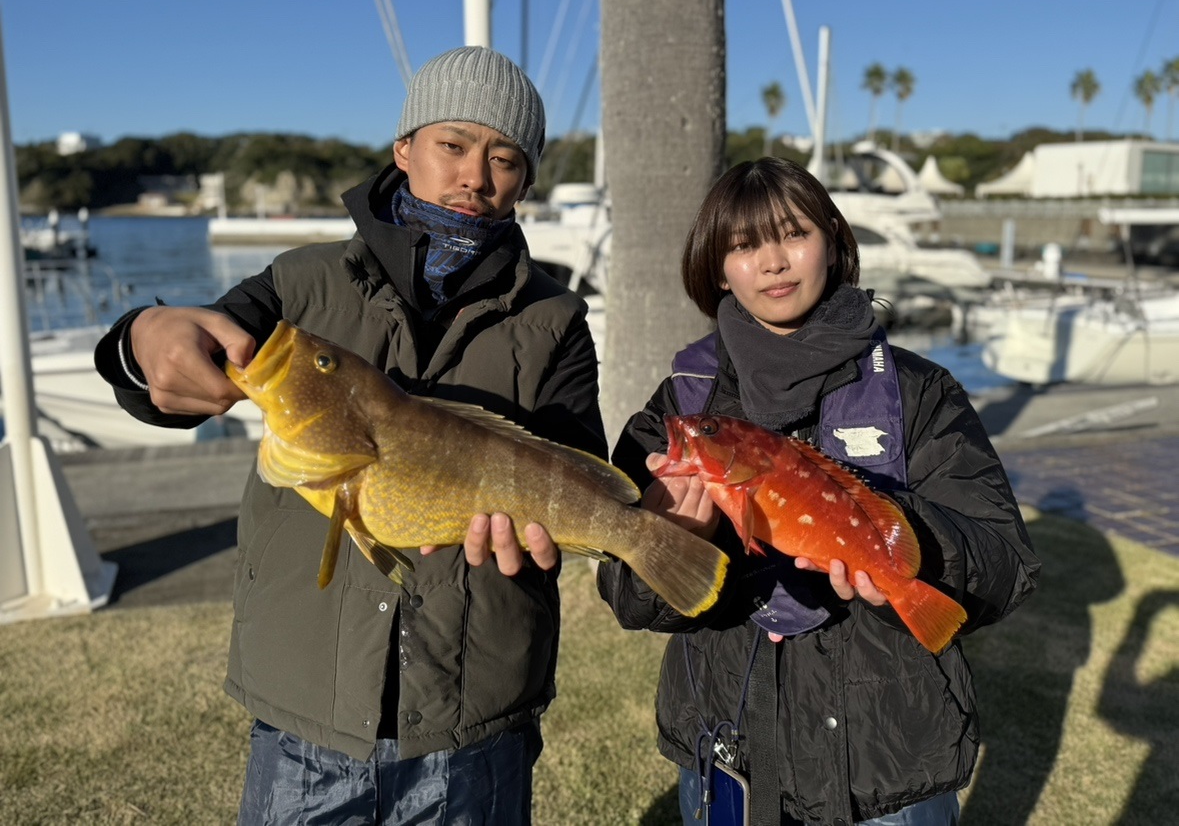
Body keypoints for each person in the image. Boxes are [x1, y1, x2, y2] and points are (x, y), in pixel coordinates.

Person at [94, 46, 606, 824]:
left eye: (505, 157)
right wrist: (141, 337)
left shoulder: (556, 319)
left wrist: (560, 531)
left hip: (477, 713)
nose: (475, 175)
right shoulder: (299, 284)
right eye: (452, 145)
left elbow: (575, 468)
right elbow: (176, 379)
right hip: (306, 707)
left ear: (526, 179)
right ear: (403, 150)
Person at [597, 157, 1040, 826]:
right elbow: (624, 595)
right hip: (728, 754)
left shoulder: (918, 392)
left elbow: (1007, 566)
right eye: (744, 246)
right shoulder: (680, 406)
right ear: (718, 268)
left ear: (832, 242)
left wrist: (907, 543)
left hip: (888, 775)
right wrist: (666, 548)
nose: (772, 261)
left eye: (793, 234)